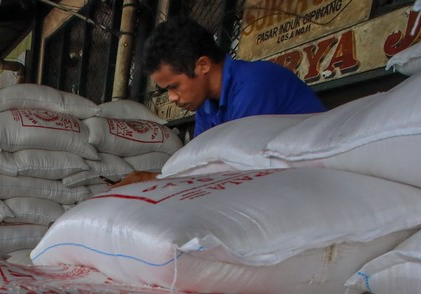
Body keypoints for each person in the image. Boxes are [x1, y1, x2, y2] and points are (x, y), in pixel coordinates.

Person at [116, 17, 325, 185]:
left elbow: (238, 171)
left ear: (203, 65)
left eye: (174, 86)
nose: (172, 97)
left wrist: (158, 180)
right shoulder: (206, 106)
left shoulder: (254, 86)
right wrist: (156, 180)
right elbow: (198, 166)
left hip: (317, 182)